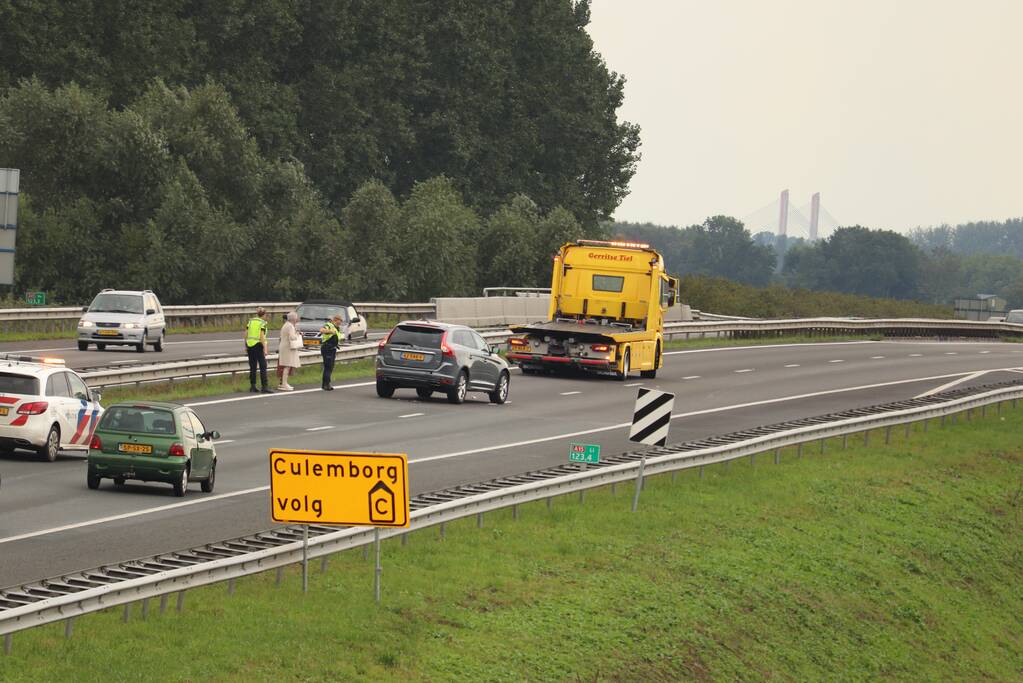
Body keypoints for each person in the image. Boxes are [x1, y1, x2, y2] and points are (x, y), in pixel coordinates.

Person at [245, 307, 272, 393]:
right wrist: (265, 348)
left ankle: (253, 386)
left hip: (250, 345)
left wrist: (245, 345)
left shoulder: (251, 321)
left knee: (253, 366)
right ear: (264, 315)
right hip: (258, 345)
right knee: (263, 366)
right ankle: (264, 387)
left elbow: (245, 334)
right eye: (266, 315)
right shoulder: (262, 323)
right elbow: (262, 336)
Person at [277, 311, 302, 391]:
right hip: (288, 347)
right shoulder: (290, 326)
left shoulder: (286, 325)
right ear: (293, 318)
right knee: (287, 366)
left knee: (285, 365)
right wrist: (298, 334)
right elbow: (292, 337)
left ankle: (284, 383)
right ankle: (284, 384)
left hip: (283, 346)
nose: (297, 319)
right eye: (296, 317)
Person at [319, 313, 343, 391]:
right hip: (327, 348)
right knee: (328, 367)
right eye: (340, 321)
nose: (340, 323)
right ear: (336, 320)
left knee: (330, 367)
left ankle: (326, 384)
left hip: (332, 349)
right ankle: (326, 384)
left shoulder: (337, 328)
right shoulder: (329, 325)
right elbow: (321, 330)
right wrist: (330, 331)